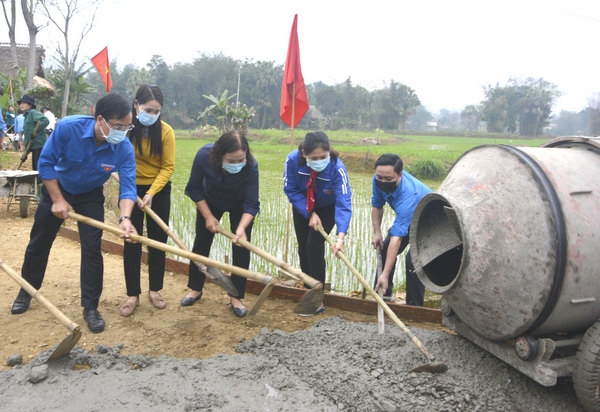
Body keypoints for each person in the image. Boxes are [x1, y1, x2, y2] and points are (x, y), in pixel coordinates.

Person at [10, 93, 138, 334]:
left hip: (90, 195)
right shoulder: (69, 128)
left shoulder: (124, 148)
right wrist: (57, 200)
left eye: (127, 126)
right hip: (58, 188)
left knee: (92, 249)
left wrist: (125, 218)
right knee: (39, 243)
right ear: (100, 119)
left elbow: (129, 187)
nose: (123, 132)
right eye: (118, 126)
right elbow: (46, 163)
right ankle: (26, 291)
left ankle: (91, 307)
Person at [182, 130, 259, 318]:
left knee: (241, 247)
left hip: (239, 204)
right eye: (231, 161)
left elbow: (251, 202)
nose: (236, 164)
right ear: (219, 156)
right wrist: (208, 216)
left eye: (240, 159)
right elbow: (194, 188)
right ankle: (195, 288)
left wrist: (241, 228)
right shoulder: (204, 156)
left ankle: (236, 296)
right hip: (211, 200)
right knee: (201, 243)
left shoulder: (250, 165)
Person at [120, 85, 175, 317]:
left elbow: (167, 166)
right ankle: (133, 294)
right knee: (132, 240)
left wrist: (151, 192)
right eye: (147, 110)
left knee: (157, 242)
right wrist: (133, 191)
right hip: (131, 188)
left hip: (158, 190)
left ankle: (155, 290)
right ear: (136, 105)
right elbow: (120, 160)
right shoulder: (125, 129)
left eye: (156, 111)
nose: (151, 115)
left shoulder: (165, 132)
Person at [283, 131, 352, 315]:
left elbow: (344, 202)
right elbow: (290, 189)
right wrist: (309, 212)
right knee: (303, 248)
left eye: (324, 156)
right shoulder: (292, 161)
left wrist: (340, 237)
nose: (320, 160)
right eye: (314, 158)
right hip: (302, 204)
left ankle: (318, 297)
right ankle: (309, 290)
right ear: (304, 154)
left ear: (330, 153)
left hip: (327, 208)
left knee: (314, 245)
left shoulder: (337, 169)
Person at [371, 153, 432, 306]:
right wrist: (377, 232)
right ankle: (383, 295)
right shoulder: (377, 180)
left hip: (431, 222)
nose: (383, 182)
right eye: (380, 177)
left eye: (388, 179)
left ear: (399, 175)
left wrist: (384, 273)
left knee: (413, 261)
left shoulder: (409, 195)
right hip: (408, 218)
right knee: (384, 249)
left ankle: (414, 307)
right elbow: (377, 205)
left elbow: (396, 239)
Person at [18, 95, 49, 170]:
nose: (22, 105)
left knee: (38, 169)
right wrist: (25, 153)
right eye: (21, 103)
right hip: (33, 146)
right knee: (35, 168)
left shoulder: (32, 112)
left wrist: (35, 131)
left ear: (30, 105)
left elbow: (45, 120)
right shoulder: (26, 116)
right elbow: (28, 136)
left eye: (24, 103)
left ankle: (42, 181)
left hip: (38, 145)